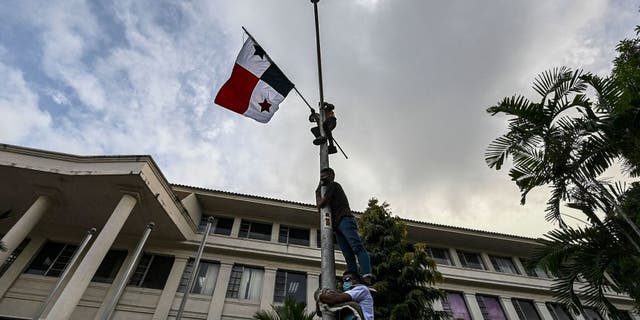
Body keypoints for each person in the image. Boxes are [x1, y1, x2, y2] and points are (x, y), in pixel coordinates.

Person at [316, 167, 373, 286]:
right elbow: (320, 209)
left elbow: (322, 204)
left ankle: (366, 276)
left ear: (331, 175)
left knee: (357, 247)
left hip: (345, 220)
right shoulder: (326, 189)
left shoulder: (334, 185)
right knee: (348, 254)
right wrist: (319, 190)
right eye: (321, 175)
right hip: (337, 226)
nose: (322, 177)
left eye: (325, 174)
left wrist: (317, 190)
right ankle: (354, 279)